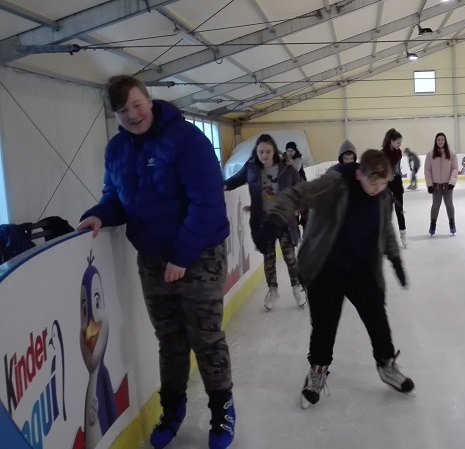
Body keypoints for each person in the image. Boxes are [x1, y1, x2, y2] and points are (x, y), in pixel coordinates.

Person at [76, 75, 235, 449]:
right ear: (114, 115)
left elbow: (208, 203)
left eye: (136, 105)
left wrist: (181, 256)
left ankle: (221, 412)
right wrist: (100, 214)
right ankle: (172, 411)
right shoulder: (116, 150)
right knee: (170, 341)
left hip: (199, 256)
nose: (132, 115)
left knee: (206, 338)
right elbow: (115, 197)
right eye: (122, 110)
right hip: (152, 260)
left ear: (149, 100)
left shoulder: (187, 140)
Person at [256, 149, 414, 409]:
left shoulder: (383, 196)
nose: (377, 189)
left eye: (383, 184)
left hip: (362, 269)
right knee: (324, 327)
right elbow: (296, 194)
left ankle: (387, 365)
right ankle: (317, 371)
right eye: (373, 184)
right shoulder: (334, 185)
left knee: (377, 319)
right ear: (359, 174)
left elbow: (385, 229)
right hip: (326, 267)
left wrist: (395, 258)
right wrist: (274, 219)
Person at [224, 134, 306, 311]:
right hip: (264, 222)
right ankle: (273, 290)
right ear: (257, 152)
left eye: (268, 151)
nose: (264, 155)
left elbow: (300, 186)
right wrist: (221, 185)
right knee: (268, 259)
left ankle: (296, 287)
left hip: (284, 220)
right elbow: (235, 180)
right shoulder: (251, 168)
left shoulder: (286, 168)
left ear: (274, 151)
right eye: (261, 152)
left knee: (290, 258)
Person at [424, 132, 459, 236]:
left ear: (445, 140)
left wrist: (452, 182)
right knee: (436, 204)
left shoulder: (451, 153)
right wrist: (429, 185)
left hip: (448, 184)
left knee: (449, 204)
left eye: (442, 139)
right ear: (436, 141)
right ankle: (432, 225)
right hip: (436, 185)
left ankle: (452, 224)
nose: (440, 141)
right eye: (438, 139)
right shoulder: (430, 154)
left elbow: (455, 169)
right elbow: (427, 170)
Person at [381, 128, 407, 248]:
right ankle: (384, 238)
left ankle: (403, 234)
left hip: (396, 182)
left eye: (400, 143)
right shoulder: (382, 153)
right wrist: (387, 176)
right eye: (398, 142)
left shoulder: (399, 153)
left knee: (399, 209)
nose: (399, 145)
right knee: (386, 211)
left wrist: (398, 182)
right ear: (391, 141)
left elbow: (398, 169)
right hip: (385, 183)